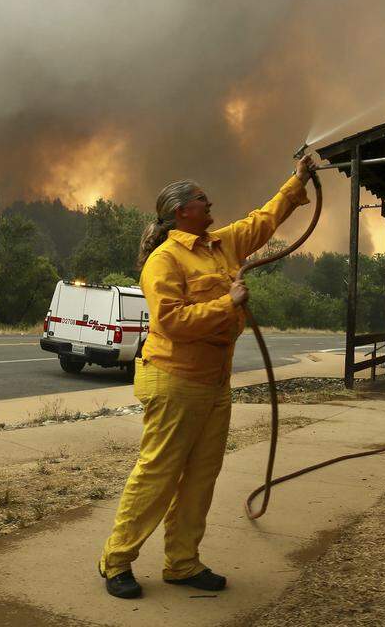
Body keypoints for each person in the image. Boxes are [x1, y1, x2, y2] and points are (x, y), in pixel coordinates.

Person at [98, 154, 319, 599]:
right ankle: (117, 561)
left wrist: (296, 184)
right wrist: (228, 303)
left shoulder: (223, 244)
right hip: (174, 379)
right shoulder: (164, 261)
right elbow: (172, 322)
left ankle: (181, 563)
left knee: (202, 475)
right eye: (202, 199)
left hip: (214, 384)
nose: (209, 203)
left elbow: (263, 219)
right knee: (159, 474)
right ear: (181, 211)